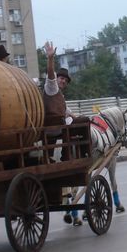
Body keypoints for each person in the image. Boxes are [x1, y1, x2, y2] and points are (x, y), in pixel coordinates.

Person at [43, 41, 87, 226]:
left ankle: (70, 153)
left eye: (65, 80)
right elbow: (51, 75)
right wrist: (51, 57)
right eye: (61, 79)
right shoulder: (51, 88)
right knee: (86, 121)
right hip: (55, 128)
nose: (62, 81)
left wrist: (73, 115)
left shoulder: (59, 96)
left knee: (78, 119)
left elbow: (66, 111)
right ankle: (82, 154)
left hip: (55, 127)